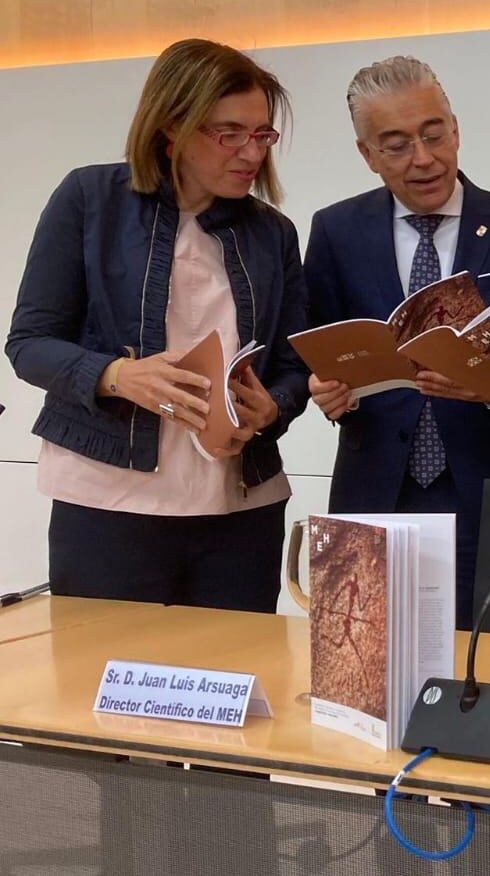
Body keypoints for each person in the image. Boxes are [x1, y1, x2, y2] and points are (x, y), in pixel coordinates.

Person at [6, 38, 310, 612]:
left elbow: (294, 365)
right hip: (108, 502)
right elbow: (28, 343)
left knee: (231, 687)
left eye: (262, 134)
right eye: (229, 134)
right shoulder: (88, 199)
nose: (251, 152)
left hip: (241, 509)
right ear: (173, 125)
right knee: (106, 690)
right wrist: (118, 375)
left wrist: (274, 407)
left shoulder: (273, 232)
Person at [304, 56, 490, 629]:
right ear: (366, 155)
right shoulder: (334, 231)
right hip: (375, 489)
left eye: (434, 134)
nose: (424, 159)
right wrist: (322, 389)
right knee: (366, 671)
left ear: (455, 128)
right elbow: (317, 350)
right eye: (395, 145)